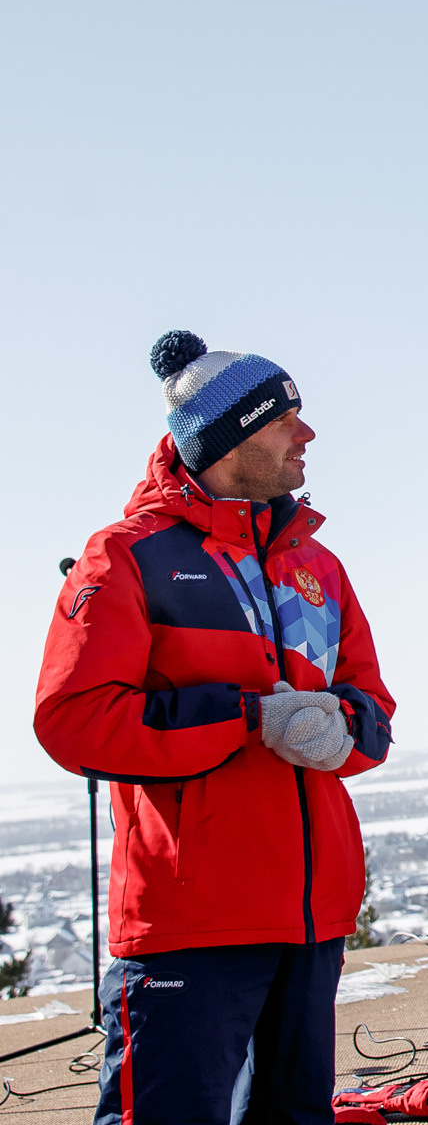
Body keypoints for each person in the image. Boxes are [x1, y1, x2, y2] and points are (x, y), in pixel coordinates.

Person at [37, 331, 395, 1124]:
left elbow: (374, 710)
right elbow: (75, 720)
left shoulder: (318, 566)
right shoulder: (126, 558)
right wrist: (248, 718)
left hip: (312, 919)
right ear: (232, 437)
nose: (307, 435)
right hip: (191, 925)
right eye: (286, 420)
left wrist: (341, 729)